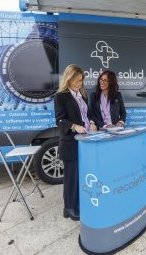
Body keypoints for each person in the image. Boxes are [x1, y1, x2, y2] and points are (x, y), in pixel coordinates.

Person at [54, 64, 97, 221]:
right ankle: (69, 207)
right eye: (76, 81)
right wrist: (74, 126)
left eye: (81, 81)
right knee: (71, 177)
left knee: (80, 175)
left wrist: (92, 122)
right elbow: (59, 120)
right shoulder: (61, 96)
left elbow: (89, 113)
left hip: (84, 141)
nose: (79, 84)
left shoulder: (83, 95)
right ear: (68, 79)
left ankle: (78, 203)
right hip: (70, 143)